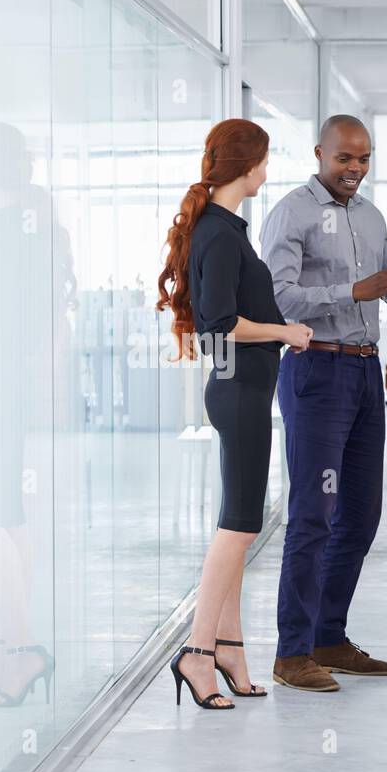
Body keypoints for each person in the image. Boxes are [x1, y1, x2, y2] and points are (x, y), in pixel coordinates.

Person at [261, 114, 387, 692]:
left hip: (367, 372)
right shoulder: (290, 212)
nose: (355, 169)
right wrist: (352, 291)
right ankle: (291, 652)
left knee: (360, 515)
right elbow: (279, 297)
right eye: (345, 158)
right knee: (312, 515)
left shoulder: (371, 215)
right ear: (320, 153)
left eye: (364, 159)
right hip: (316, 369)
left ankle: (329, 638)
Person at [156, 118, 313, 710]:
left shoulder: (222, 228)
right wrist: (286, 331)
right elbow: (220, 321)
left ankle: (229, 646)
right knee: (240, 525)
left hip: (240, 388)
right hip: (240, 390)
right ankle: (197, 652)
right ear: (248, 166)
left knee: (238, 520)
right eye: (266, 161)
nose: (267, 173)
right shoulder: (220, 235)